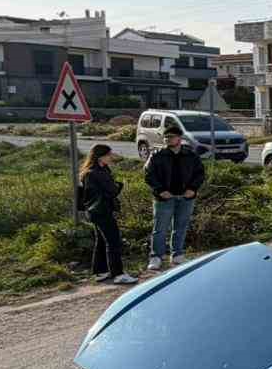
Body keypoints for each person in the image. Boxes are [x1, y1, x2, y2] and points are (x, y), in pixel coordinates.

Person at [144, 121, 206, 271]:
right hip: (164, 198)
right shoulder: (157, 155)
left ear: (179, 138)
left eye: (171, 137)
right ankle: (156, 257)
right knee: (160, 228)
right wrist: (160, 190)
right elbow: (148, 175)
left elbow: (200, 174)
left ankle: (177, 254)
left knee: (181, 227)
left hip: (185, 198)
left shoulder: (191, 155)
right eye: (165, 137)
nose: (167, 139)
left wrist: (193, 189)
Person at [79, 144, 136, 285]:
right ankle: (118, 274)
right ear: (100, 156)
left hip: (95, 212)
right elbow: (112, 191)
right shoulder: (96, 173)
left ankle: (100, 271)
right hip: (102, 211)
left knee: (102, 241)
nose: (112, 157)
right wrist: (119, 185)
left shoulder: (93, 171)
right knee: (113, 241)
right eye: (109, 154)